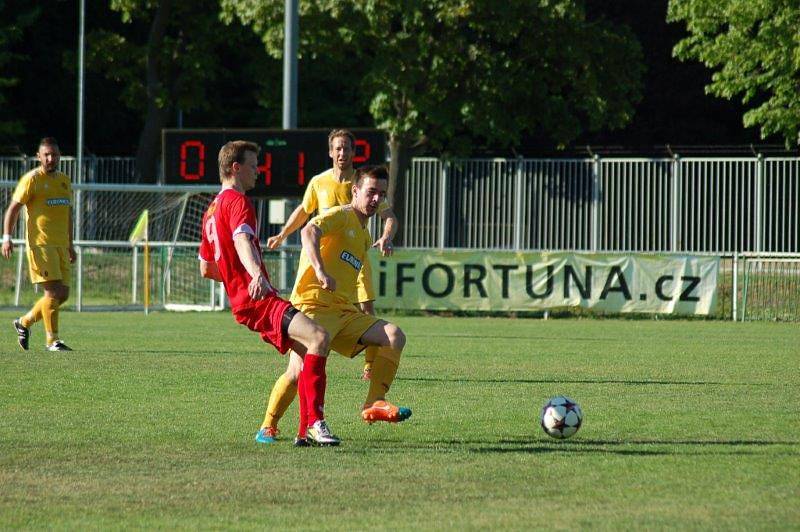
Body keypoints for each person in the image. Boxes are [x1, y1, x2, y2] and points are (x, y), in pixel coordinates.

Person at [258, 129, 397, 443]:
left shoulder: (365, 188)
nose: (342, 153)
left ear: (353, 151)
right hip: (317, 288)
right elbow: (307, 218)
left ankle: (371, 387)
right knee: (296, 371)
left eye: (347, 148)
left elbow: (389, 215)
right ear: (331, 151)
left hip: (351, 267)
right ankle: (270, 424)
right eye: (338, 148)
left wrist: (387, 235)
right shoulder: (322, 186)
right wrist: (283, 236)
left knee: (383, 325)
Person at [198, 140, 339, 446]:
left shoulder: (211, 210)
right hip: (258, 300)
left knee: (304, 356)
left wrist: (237, 279)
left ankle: (293, 431)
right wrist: (255, 274)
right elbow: (242, 241)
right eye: (252, 165)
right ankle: (315, 423)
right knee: (319, 337)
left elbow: (206, 268)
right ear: (236, 168)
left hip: (242, 302)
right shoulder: (237, 202)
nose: (258, 172)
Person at [2, 137, 75, 351]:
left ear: (59, 155)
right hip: (41, 246)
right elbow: (13, 209)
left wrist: (70, 244)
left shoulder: (64, 180)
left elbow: (67, 214)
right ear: (39, 156)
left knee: (62, 295)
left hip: (61, 245)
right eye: (46, 155)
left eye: (54, 154)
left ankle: (23, 323)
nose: (51, 158)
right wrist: (7, 237)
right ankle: (52, 341)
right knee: (52, 293)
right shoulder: (32, 179)